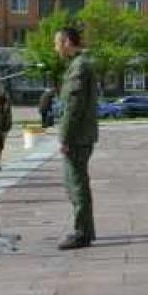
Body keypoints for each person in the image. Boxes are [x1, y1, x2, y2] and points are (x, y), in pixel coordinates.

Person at [56, 27, 99, 250]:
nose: (55, 48)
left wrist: (64, 137)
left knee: (77, 184)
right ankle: (86, 230)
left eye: (57, 43)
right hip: (81, 135)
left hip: (77, 136)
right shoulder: (79, 64)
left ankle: (82, 232)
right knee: (76, 182)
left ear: (66, 42)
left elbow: (73, 108)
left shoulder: (79, 67)